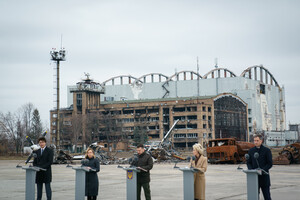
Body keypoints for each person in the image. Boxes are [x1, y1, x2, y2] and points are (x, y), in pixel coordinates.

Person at [247, 134, 272, 200]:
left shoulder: (266, 150)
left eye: (257, 140)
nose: (255, 142)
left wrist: (262, 170)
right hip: (254, 178)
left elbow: (270, 163)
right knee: (254, 197)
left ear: (261, 141)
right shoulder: (251, 151)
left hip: (264, 177)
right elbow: (248, 162)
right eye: (254, 140)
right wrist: (251, 170)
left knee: (267, 196)